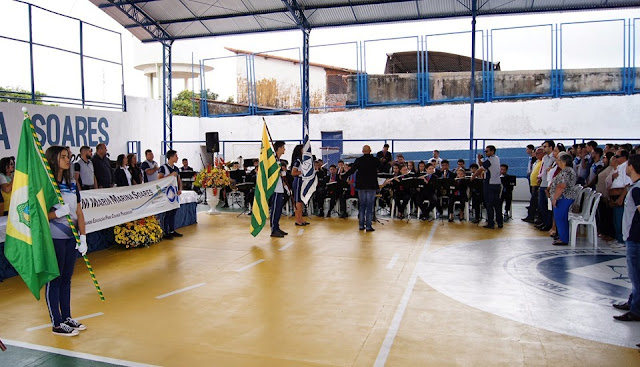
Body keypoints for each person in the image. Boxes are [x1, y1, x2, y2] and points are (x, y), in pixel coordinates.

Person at [45, 146, 88, 336]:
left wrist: (83, 236)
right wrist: (56, 214)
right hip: (54, 238)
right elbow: (36, 214)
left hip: (71, 238)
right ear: (53, 159)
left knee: (67, 279)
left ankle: (67, 316)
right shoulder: (47, 184)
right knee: (55, 279)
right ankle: (56, 322)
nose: (67, 160)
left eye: (68, 156)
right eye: (63, 157)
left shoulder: (71, 183)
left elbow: (79, 212)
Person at [612, 154, 640, 322]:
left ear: (631, 167)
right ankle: (633, 302)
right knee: (635, 275)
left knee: (636, 276)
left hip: (635, 238)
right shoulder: (635, 186)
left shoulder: (637, 189)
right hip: (633, 236)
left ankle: (636, 310)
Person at [342, 145, 381, 232]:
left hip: (361, 186)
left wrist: (344, 176)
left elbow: (352, 170)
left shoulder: (359, 160)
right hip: (371, 185)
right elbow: (381, 168)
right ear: (370, 151)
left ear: (362, 151)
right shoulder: (375, 160)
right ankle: (368, 226)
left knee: (362, 205)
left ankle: (361, 225)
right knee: (369, 206)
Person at [549, 152, 580, 246]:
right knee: (560, 218)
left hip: (563, 198)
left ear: (564, 161)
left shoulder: (566, 171)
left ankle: (563, 238)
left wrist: (555, 198)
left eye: (559, 160)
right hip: (564, 198)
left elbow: (561, 186)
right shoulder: (567, 170)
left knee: (560, 217)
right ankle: (562, 236)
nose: (557, 162)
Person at [472, 145, 502, 229]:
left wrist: (473, 176)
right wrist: (479, 159)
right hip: (497, 184)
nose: (486, 153)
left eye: (487, 151)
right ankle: (500, 222)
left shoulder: (490, 160)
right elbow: (483, 164)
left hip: (490, 184)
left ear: (492, 151)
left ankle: (491, 223)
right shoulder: (496, 158)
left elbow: (480, 169)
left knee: (489, 204)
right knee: (497, 205)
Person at [607, 150, 633, 244]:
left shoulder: (625, 167)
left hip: (620, 196)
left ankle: (622, 241)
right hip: (615, 196)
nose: (615, 158)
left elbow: (627, 184)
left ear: (624, 157)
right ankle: (618, 238)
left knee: (620, 219)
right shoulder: (619, 167)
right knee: (616, 219)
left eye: (617, 156)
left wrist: (621, 198)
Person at [158, 150, 183, 240]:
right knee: (167, 213)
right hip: (166, 193)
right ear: (171, 157)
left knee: (173, 211)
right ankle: (166, 231)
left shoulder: (176, 168)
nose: (177, 158)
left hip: (174, 193)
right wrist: (170, 175)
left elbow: (179, 180)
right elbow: (159, 179)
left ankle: (172, 230)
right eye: (176, 156)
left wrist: (180, 189)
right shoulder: (163, 168)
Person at [270, 141, 287, 238]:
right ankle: (273, 229)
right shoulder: (272, 159)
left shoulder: (278, 159)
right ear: (279, 148)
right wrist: (280, 172)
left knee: (279, 209)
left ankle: (277, 227)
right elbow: (271, 172)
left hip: (280, 187)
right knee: (275, 209)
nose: (284, 149)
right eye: (283, 147)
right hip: (275, 188)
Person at [523, 147, 544, 223]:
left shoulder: (543, 162)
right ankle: (531, 217)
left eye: (538, 153)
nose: (536, 154)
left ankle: (534, 217)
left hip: (538, 185)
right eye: (536, 153)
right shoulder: (537, 161)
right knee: (533, 201)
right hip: (534, 184)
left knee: (535, 202)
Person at [290, 144, 308, 226]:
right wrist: (303, 172)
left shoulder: (302, 161)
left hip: (302, 181)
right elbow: (293, 173)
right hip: (298, 181)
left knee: (301, 201)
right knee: (298, 201)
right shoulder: (297, 161)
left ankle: (301, 218)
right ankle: (297, 220)